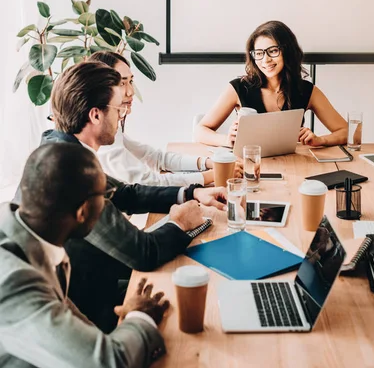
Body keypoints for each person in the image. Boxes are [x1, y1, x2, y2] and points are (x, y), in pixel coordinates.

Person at [15, 61, 227, 332]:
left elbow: (126, 193)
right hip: (85, 307)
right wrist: (181, 223)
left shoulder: (60, 148)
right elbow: (144, 253)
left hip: (91, 278)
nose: (123, 115)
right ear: (95, 115)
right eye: (119, 108)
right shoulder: (70, 172)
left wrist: (191, 192)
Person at [0, 143, 170, 368]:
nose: (107, 203)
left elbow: (62, 310)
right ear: (82, 212)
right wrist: (140, 317)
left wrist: (115, 335)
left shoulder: (30, 236)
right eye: (105, 195)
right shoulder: (13, 281)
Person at [195, 20, 347, 148]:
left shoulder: (306, 90)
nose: (265, 60)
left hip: (293, 165)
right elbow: (200, 131)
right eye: (259, 53)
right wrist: (226, 140)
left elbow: (349, 132)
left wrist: (320, 140)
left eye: (273, 51)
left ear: (287, 51)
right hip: (249, 166)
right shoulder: (239, 88)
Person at [88, 51, 215, 186]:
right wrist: (210, 176)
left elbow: (155, 157)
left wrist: (207, 162)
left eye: (130, 81)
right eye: (121, 83)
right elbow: (148, 182)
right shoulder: (101, 135)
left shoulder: (112, 129)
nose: (131, 91)